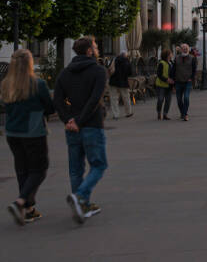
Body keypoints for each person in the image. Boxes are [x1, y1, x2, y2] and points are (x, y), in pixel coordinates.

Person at [53, 36, 108, 224]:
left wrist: (67, 119)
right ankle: (81, 197)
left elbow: (57, 99)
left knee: (76, 169)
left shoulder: (65, 73)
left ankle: (81, 205)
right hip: (91, 125)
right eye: (95, 46)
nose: (97, 48)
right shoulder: (98, 71)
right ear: (89, 51)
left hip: (72, 128)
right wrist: (80, 120)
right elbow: (95, 99)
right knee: (99, 164)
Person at [2, 49, 55, 226]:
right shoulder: (37, 84)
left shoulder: (5, 84)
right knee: (39, 169)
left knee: (22, 169)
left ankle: (28, 209)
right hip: (33, 132)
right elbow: (49, 107)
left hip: (12, 132)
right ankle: (21, 200)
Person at [170, 44, 195, 121]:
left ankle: (185, 114)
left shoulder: (192, 58)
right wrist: (172, 80)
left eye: (186, 48)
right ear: (181, 50)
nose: (185, 49)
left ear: (188, 49)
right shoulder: (177, 58)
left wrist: (191, 78)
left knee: (186, 98)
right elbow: (173, 70)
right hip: (178, 81)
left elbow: (194, 69)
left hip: (187, 81)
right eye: (183, 48)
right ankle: (182, 113)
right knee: (179, 99)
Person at [108, 51, 133, 119]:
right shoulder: (127, 61)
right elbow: (130, 72)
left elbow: (109, 69)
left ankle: (115, 115)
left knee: (114, 99)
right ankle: (128, 112)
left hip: (113, 82)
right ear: (125, 55)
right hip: (123, 82)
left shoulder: (114, 60)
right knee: (126, 98)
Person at [155, 49, 174, 120]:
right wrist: (167, 80)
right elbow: (159, 74)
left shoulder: (171, 63)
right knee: (160, 99)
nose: (172, 55)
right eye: (171, 54)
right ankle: (159, 112)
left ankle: (165, 114)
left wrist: (173, 81)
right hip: (161, 85)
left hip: (169, 85)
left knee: (168, 100)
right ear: (167, 55)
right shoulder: (161, 63)